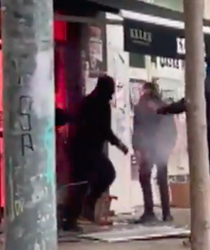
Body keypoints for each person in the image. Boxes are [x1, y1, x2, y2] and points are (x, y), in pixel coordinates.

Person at [61, 74, 128, 231]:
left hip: (81, 149)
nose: (112, 94)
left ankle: (74, 216)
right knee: (103, 175)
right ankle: (81, 210)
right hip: (87, 150)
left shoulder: (87, 102)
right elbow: (105, 130)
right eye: (110, 91)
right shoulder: (100, 105)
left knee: (82, 184)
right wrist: (119, 144)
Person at [133, 82, 176, 223]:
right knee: (162, 179)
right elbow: (172, 130)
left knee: (145, 177)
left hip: (148, 147)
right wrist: (169, 147)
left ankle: (149, 211)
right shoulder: (164, 106)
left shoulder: (141, 107)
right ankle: (166, 213)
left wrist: (138, 149)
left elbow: (138, 130)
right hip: (161, 147)